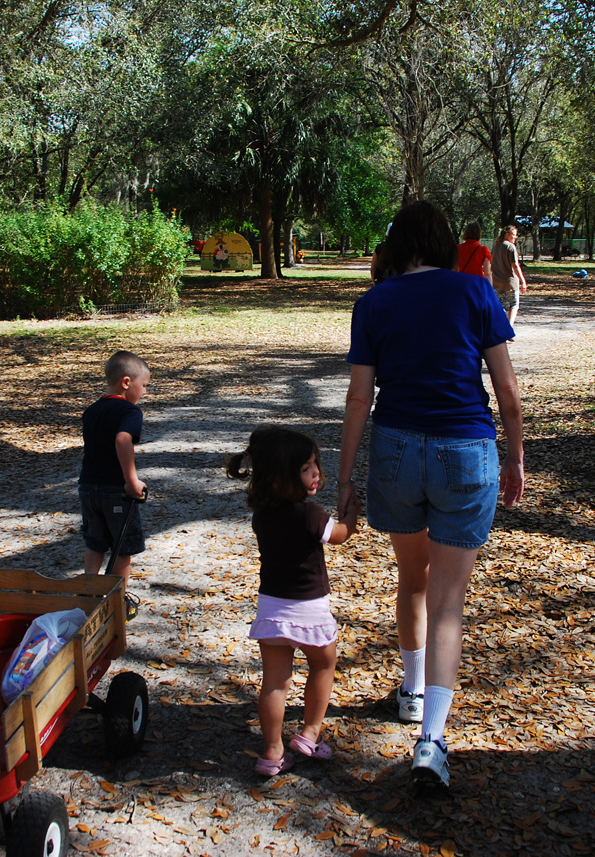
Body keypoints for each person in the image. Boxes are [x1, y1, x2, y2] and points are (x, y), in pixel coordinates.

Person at [336, 201, 525, 789]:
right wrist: (515, 457)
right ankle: (431, 742)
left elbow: (357, 399)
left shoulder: (373, 302)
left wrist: (343, 480)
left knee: (411, 579)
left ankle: (411, 692)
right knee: (448, 602)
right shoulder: (475, 293)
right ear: (444, 242)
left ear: (398, 244)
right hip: (466, 450)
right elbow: (508, 392)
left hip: (396, 450)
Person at [227, 426, 359, 776]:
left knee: (275, 682)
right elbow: (341, 535)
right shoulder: (311, 515)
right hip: (311, 610)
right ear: (276, 479)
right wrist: (352, 516)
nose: (316, 472)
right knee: (322, 666)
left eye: (315, 464)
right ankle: (310, 734)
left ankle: (272, 751)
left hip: (271, 609)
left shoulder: (262, 516)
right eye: (305, 468)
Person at [79, 350, 151, 621]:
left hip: (87, 487)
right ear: (125, 382)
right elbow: (123, 440)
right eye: (143, 386)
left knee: (95, 542)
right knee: (123, 547)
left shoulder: (92, 410)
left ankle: (89, 593)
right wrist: (131, 481)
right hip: (115, 491)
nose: (143, 392)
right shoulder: (129, 411)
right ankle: (116, 601)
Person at [490, 224, 528, 325]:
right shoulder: (510, 247)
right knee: (514, 304)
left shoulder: (496, 246)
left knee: (500, 306)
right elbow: (515, 265)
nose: (515, 237)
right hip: (510, 281)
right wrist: (522, 281)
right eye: (514, 235)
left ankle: (502, 327)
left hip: (497, 281)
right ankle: (509, 328)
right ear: (507, 235)